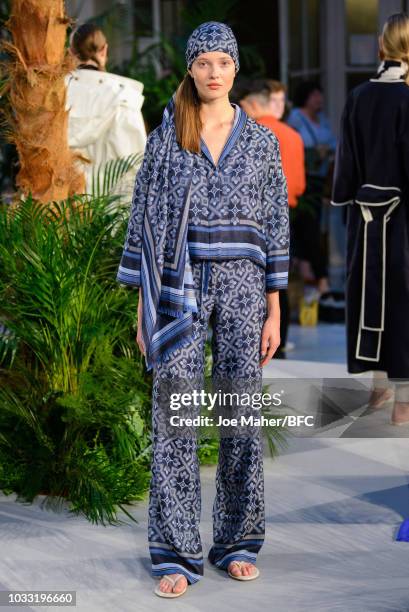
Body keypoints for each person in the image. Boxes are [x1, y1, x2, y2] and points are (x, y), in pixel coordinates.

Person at [116, 22, 289, 597]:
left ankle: (237, 542)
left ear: (235, 69)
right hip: (179, 288)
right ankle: (175, 552)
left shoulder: (261, 142)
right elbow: (143, 216)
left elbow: (275, 224)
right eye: (203, 62)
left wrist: (274, 307)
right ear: (190, 69)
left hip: (244, 283)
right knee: (177, 421)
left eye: (223, 62)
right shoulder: (169, 137)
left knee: (241, 418)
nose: (214, 72)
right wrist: (146, 309)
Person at [331, 12, 409, 541]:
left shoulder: (360, 97)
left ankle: (381, 389)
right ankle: (403, 402)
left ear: (383, 44)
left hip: (365, 215)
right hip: (404, 219)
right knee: (404, 301)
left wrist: (347, 207)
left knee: (371, 295)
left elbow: (347, 162)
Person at [239, 78, 306, 356]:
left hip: (250, 215)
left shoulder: (246, 133)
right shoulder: (293, 135)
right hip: (285, 213)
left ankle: (248, 340)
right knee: (279, 278)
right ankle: (278, 341)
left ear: (254, 104)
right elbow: (300, 185)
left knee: (248, 278)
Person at [66, 23, 147, 194]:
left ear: (71, 53)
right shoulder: (123, 97)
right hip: (107, 213)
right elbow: (135, 163)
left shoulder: (52, 95)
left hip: (57, 212)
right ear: (104, 50)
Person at [287, 81, 336, 295]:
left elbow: (334, 143)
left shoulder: (323, 120)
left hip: (320, 178)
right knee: (308, 228)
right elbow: (291, 143)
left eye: (320, 95)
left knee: (314, 226)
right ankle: (317, 276)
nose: (319, 99)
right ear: (306, 96)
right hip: (303, 177)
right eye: (315, 94)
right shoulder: (296, 118)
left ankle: (310, 273)